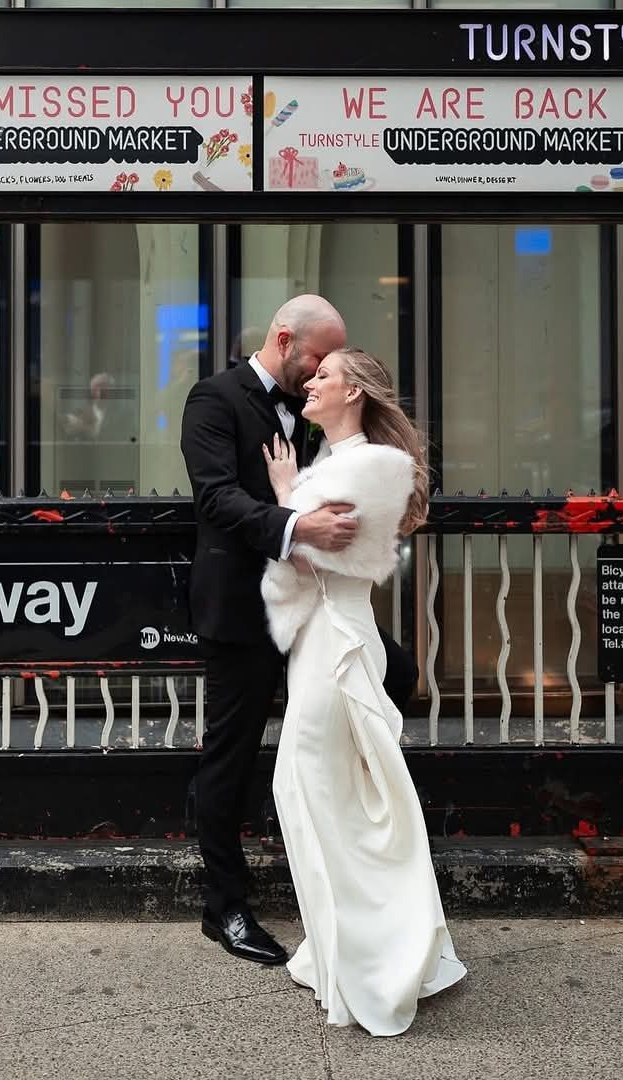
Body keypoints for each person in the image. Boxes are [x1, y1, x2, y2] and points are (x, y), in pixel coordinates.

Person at [179, 296, 419, 967]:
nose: (318, 376)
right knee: (231, 754)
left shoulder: (317, 407)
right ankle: (224, 907)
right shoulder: (213, 398)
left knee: (396, 677)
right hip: (243, 607)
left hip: (316, 608)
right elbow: (214, 497)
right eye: (315, 360)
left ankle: (345, 848)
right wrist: (295, 525)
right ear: (285, 340)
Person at [261, 347, 466, 1036]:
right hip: (323, 639)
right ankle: (341, 949)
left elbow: (310, 555)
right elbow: (301, 550)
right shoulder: (339, 466)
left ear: (354, 391)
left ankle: (369, 961)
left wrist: (289, 503)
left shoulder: (374, 467)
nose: (310, 382)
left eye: (324, 375)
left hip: (337, 644)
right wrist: (296, 508)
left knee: (313, 790)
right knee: (321, 795)